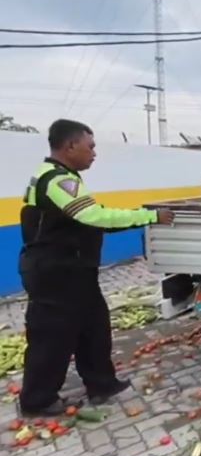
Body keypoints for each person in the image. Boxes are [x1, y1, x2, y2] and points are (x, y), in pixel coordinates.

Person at [17, 119, 175, 417]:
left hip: (74, 271)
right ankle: (37, 400)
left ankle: (101, 383)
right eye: (90, 146)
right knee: (51, 336)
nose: (94, 153)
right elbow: (95, 216)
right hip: (55, 273)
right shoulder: (56, 180)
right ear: (70, 146)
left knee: (94, 327)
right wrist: (149, 216)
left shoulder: (60, 176)